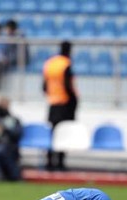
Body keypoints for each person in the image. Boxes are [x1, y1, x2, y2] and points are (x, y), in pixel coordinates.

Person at [43, 41, 78, 171]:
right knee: (63, 133)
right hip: (65, 103)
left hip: (52, 103)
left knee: (52, 133)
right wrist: (73, 102)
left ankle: (49, 161)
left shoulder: (50, 64)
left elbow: (44, 86)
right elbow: (68, 86)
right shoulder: (66, 64)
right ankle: (60, 162)